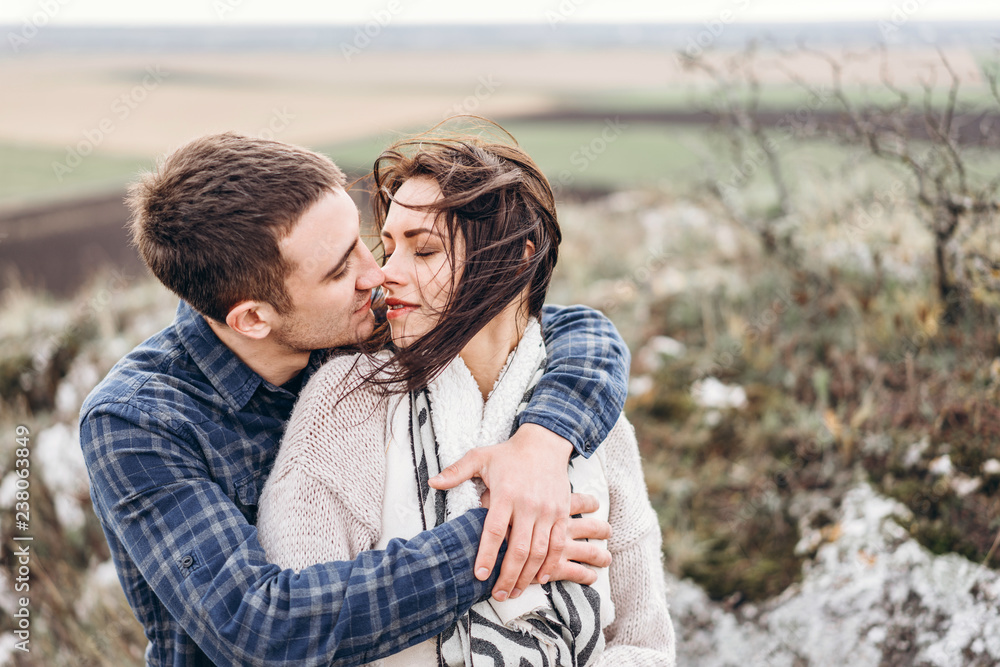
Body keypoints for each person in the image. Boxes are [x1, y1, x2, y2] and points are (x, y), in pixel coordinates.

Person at [78, 132, 635, 666]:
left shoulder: (355, 315)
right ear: (253, 319)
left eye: (361, 244)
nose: (379, 275)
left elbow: (566, 328)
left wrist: (541, 443)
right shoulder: (138, 422)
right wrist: (504, 537)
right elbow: (266, 630)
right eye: (343, 268)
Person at [257, 123, 675, 665]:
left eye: (424, 251)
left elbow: (645, 641)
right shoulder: (347, 402)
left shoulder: (588, 419)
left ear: (518, 260)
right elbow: (304, 624)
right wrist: (496, 546)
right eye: (388, 247)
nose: (388, 274)